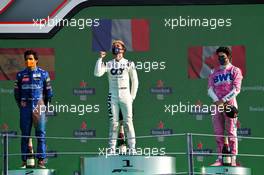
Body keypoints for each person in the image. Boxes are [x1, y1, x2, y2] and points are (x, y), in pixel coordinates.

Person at [94, 40, 139, 154]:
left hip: (126, 95)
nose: (116, 47)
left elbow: (135, 81)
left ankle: (132, 148)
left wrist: (131, 97)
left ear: (123, 49)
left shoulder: (129, 63)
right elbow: (97, 73)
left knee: (128, 122)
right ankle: (112, 148)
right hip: (113, 95)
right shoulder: (109, 63)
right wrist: (100, 59)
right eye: (114, 46)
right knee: (114, 122)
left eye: (118, 46)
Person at [14, 50, 53, 168]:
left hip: (38, 106)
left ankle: (41, 160)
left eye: (30, 59)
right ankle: (24, 161)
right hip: (25, 107)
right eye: (26, 59)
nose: (28, 61)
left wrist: (43, 105)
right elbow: (16, 93)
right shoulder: (20, 75)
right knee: (25, 134)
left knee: (40, 134)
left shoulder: (43, 74)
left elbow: (49, 92)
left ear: (36, 60)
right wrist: (22, 105)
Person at [208, 47, 243, 166]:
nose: (220, 59)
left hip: (230, 104)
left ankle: (232, 158)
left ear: (229, 56)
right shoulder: (214, 71)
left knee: (231, 131)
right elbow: (209, 89)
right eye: (219, 57)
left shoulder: (235, 70)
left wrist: (224, 100)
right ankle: (220, 158)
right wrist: (217, 100)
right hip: (217, 104)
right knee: (218, 131)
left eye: (223, 56)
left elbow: (236, 89)